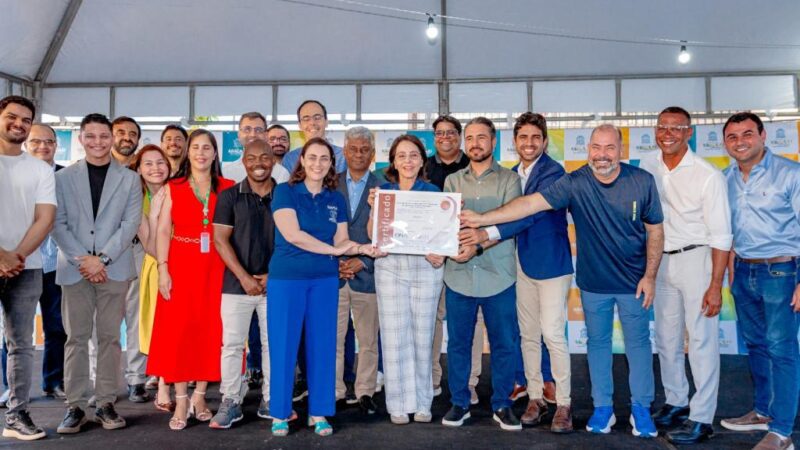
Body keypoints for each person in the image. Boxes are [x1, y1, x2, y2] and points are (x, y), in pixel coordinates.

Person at [461, 124, 664, 439]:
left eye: (610, 148)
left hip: (632, 281)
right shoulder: (576, 181)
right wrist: (482, 219)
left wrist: (650, 276)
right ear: (588, 150)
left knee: (638, 346)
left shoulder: (642, 181)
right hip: (593, 281)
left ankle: (641, 409)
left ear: (621, 150)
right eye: (596, 147)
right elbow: (531, 205)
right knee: (596, 346)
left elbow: (655, 230)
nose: (602, 155)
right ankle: (602, 409)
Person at [267, 137, 382, 437]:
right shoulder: (284, 192)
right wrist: (337, 251)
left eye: (324, 159)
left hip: (324, 281)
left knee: (324, 346)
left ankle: (319, 412)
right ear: (301, 161)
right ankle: (280, 412)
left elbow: (341, 241)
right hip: (287, 279)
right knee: (283, 346)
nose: (318, 163)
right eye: (312, 157)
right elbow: (293, 235)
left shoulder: (335, 199)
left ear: (332, 163)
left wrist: (362, 249)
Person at [475, 112, 574, 432]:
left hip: (551, 265)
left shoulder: (554, 173)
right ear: (514, 142)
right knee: (528, 335)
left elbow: (527, 215)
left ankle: (564, 403)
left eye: (535, 137)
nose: (529, 143)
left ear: (545, 142)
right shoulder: (512, 174)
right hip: (520, 263)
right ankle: (535, 397)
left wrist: (485, 232)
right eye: (522, 138)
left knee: (553, 334)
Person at [639, 107, 732, 444]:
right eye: (662, 126)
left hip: (697, 260)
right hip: (660, 262)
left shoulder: (708, 175)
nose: (668, 133)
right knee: (666, 337)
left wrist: (714, 286)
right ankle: (677, 401)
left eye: (676, 128)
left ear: (689, 133)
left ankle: (702, 417)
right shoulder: (648, 164)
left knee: (703, 340)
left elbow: (722, 236)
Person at [53, 113, 142, 434]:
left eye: (104, 136)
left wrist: (101, 259)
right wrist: (84, 260)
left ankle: (105, 402)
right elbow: (57, 223)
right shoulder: (63, 178)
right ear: (81, 138)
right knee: (75, 339)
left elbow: (129, 224)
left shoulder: (130, 179)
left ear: (112, 138)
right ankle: (74, 406)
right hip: (75, 270)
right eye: (90, 136)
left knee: (108, 339)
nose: (98, 142)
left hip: (114, 269)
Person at [719, 112, 800, 450]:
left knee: (782, 350)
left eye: (747, 134)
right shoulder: (725, 178)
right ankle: (763, 412)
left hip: (782, 273)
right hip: (744, 273)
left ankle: (781, 432)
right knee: (756, 345)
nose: (740, 142)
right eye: (733, 136)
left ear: (763, 136)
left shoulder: (790, 173)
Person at [147, 129, 234, 431]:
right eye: (195, 147)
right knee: (179, 333)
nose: (200, 153)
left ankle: (200, 396)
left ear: (214, 153)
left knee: (211, 331)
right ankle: (181, 397)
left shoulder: (227, 186)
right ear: (187, 152)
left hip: (216, 265)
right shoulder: (173, 186)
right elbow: (160, 231)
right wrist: (163, 268)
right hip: (181, 263)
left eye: (206, 147)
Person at [440, 117, 522, 432]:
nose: (475, 143)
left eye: (482, 138)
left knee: (504, 343)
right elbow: (446, 226)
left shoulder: (509, 180)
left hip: (498, 274)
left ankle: (502, 404)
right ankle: (460, 402)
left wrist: (479, 243)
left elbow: (510, 222)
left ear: (494, 141)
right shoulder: (451, 181)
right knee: (459, 343)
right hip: (458, 274)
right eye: (470, 138)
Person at [365, 134, 444, 424]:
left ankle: (423, 402)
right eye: (402, 156)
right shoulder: (383, 191)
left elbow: (444, 235)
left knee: (423, 336)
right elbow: (372, 232)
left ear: (422, 160)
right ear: (393, 162)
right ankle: (397, 404)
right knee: (393, 336)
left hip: (426, 267)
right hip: (390, 267)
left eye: (413, 155)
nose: (407, 161)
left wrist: (442, 255)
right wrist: (375, 206)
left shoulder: (434, 192)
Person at [0, 96, 56, 441]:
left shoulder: (39, 168)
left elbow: (45, 218)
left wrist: (15, 256)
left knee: (21, 344)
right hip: (13, 262)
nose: (19, 124)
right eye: (12, 117)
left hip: (27, 267)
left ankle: (16, 416)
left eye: (26, 119)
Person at [209, 138, 276, 428]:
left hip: (277, 285)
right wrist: (245, 278)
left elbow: (294, 240)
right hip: (237, 286)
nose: (258, 164)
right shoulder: (229, 196)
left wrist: (272, 275)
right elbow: (220, 241)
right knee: (233, 345)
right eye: (252, 158)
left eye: (264, 157)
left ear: (273, 160)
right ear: (244, 161)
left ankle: (273, 399)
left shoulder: (286, 195)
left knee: (273, 344)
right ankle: (231, 401)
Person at [426, 115, 484, 403]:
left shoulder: (472, 165)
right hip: (433, 258)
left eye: (451, 132)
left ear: (460, 137)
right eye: (439, 133)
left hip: (468, 255)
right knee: (433, 320)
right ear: (434, 137)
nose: (445, 137)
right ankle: (433, 377)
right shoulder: (423, 167)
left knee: (470, 323)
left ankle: (470, 381)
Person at [335, 127, 381, 414]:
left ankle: (365, 392)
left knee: (368, 340)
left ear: (373, 154)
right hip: (335, 273)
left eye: (365, 150)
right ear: (345, 151)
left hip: (368, 274)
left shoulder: (385, 187)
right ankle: (335, 392)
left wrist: (363, 260)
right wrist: (338, 261)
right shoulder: (329, 184)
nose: (359, 154)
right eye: (354, 149)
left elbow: (388, 235)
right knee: (334, 338)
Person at [107, 115, 151, 403]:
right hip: (104, 255)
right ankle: (104, 383)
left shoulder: (141, 173)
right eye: (120, 132)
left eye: (132, 133)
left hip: (138, 250)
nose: (126, 137)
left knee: (138, 318)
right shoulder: (89, 170)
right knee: (106, 321)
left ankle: (137, 379)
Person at [25, 123, 68, 401]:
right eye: (36, 142)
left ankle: (53, 381)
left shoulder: (67, 177)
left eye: (49, 142)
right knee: (16, 331)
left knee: (57, 328)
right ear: (27, 145)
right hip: (22, 265)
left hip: (57, 265)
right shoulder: (10, 175)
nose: (43, 147)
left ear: (56, 145)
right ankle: (9, 387)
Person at [129, 145, 172, 411]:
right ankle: (164, 383)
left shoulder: (178, 191)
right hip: (158, 266)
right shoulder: (136, 199)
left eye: (160, 162)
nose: (156, 168)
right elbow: (151, 245)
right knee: (159, 326)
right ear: (139, 169)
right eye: (148, 164)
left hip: (185, 266)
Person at [281, 100, 346, 174]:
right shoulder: (290, 159)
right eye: (306, 119)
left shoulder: (343, 156)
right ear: (299, 125)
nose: (312, 123)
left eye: (317, 118)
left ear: (326, 122)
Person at [223, 112, 289, 184]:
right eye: (247, 129)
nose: (252, 135)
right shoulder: (226, 173)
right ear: (239, 134)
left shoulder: (281, 173)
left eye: (258, 130)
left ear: (266, 135)